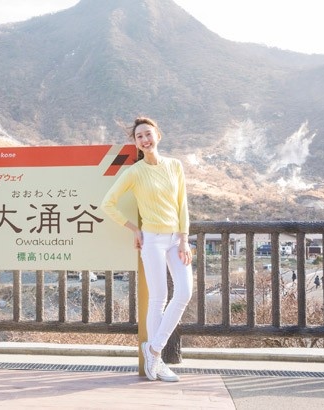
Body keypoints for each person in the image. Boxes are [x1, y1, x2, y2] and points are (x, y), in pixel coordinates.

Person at [101, 117, 192, 383]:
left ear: (158, 136)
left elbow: (182, 205)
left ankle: (153, 349)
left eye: (148, 134)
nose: (144, 140)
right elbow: (108, 203)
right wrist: (134, 229)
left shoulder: (175, 166)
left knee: (184, 292)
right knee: (158, 298)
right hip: (151, 239)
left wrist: (185, 239)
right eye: (139, 136)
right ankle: (157, 360)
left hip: (176, 239)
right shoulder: (134, 172)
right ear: (136, 143)